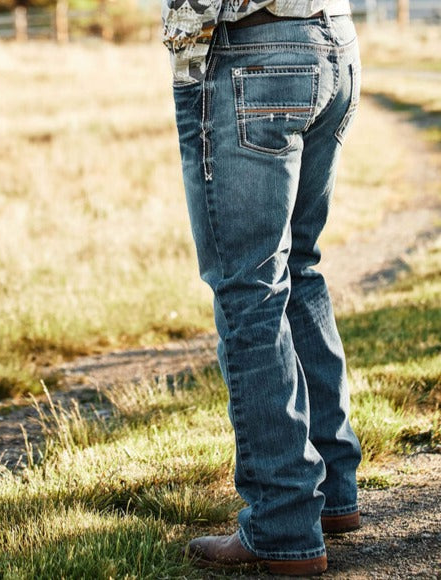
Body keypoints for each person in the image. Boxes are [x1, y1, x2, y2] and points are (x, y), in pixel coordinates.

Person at [162, 0, 363, 575]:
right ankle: (332, 491)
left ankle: (283, 521)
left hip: (250, 46)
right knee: (297, 267)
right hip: (332, 39)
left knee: (250, 291)